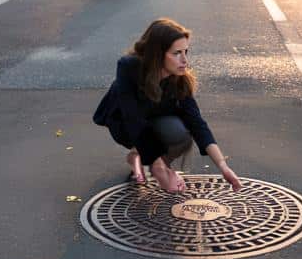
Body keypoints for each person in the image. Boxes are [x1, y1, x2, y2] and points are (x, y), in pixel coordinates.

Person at [93, 19, 242, 194]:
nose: (185, 60)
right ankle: (144, 155)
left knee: (181, 134)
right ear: (158, 54)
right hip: (125, 125)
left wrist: (223, 166)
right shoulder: (129, 67)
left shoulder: (179, 78)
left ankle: (140, 157)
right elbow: (133, 118)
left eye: (186, 51)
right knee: (145, 136)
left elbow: (197, 123)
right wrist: (160, 169)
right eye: (177, 53)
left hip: (153, 120)